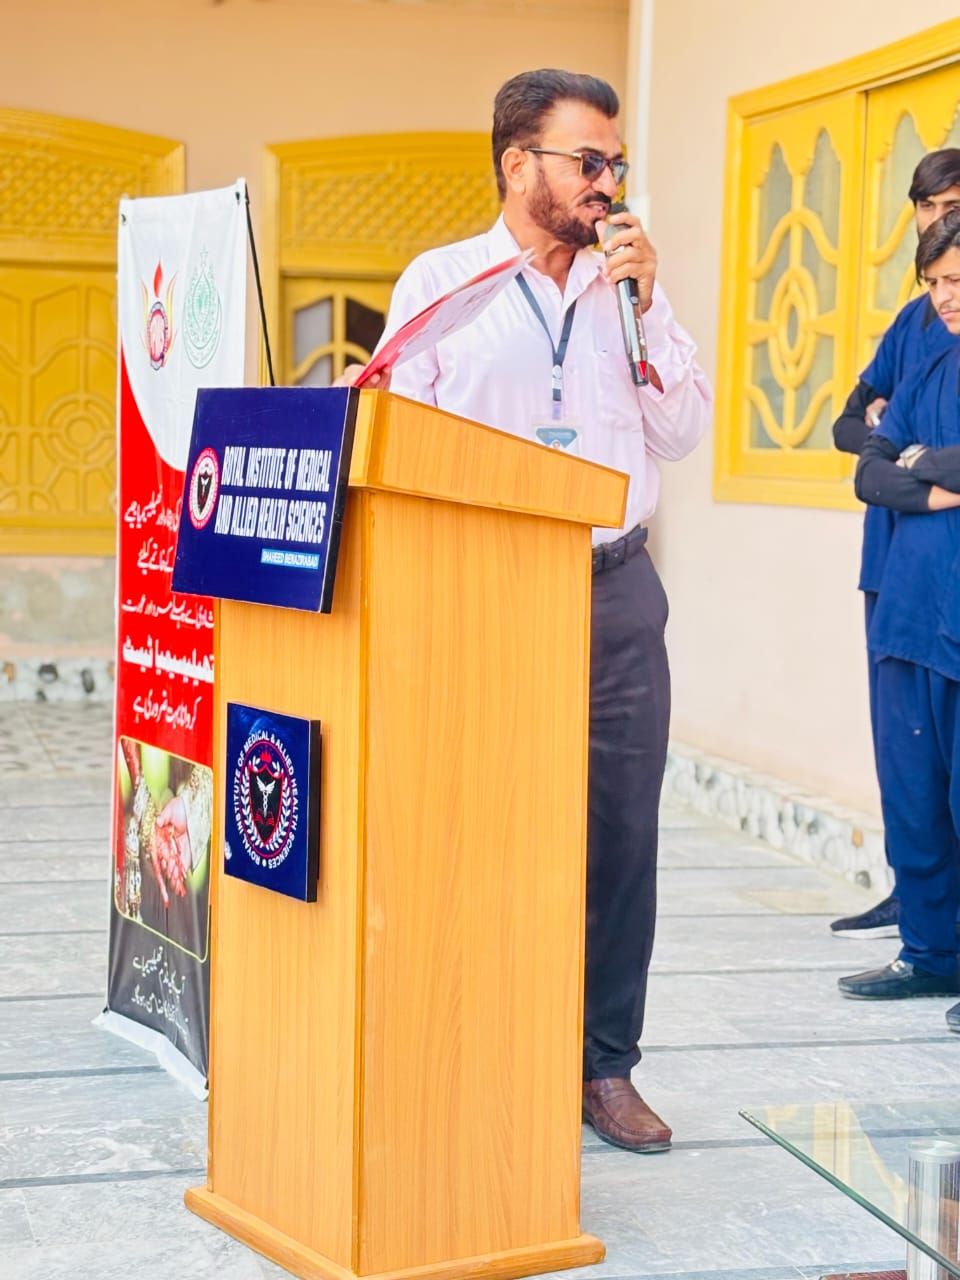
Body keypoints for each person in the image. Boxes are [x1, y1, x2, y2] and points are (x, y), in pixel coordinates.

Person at [345, 69, 712, 1151]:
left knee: (620, 836)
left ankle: (604, 1066)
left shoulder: (628, 287)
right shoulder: (442, 282)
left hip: (614, 592)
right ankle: (484, 1047)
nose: (608, 184)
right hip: (484, 592)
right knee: (481, 828)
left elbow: (681, 429)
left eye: (617, 164)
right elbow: (396, 435)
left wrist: (647, 304)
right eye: (588, 162)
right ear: (519, 165)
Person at [830, 149, 960, 939]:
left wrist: (906, 454)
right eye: (928, 206)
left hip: (944, 565)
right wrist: (916, 462)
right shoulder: (915, 319)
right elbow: (852, 429)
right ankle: (915, 901)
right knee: (904, 748)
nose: (939, 218)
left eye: (953, 204)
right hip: (894, 560)